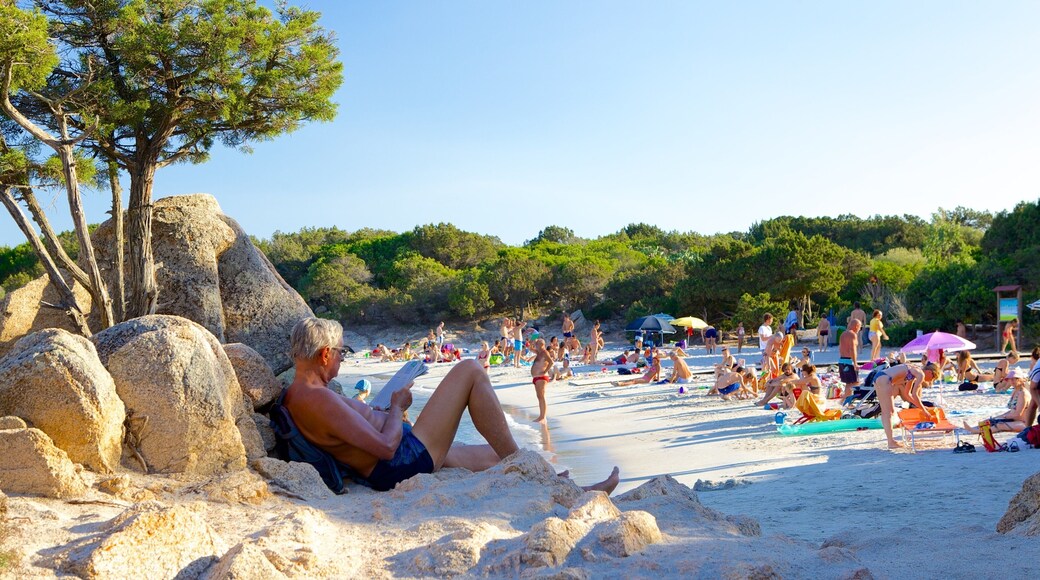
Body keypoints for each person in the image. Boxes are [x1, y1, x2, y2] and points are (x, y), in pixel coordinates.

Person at [282, 317, 620, 493]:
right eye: (341, 352)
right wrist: (397, 406)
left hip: (401, 451)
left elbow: (360, 435)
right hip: (399, 462)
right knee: (470, 370)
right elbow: (385, 448)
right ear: (325, 353)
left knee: (493, 456)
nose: (342, 359)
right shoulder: (316, 399)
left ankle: (572, 489)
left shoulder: (305, 392)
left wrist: (388, 413)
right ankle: (530, 467)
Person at [872, 362, 938, 450]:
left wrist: (921, 407)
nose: (930, 381)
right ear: (930, 372)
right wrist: (924, 410)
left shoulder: (914, 371)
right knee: (889, 412)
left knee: (886, 411)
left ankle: (891, 441)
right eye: (933, 377)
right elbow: (915, 395)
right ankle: (891, 442)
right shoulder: (920, 374)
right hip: (885, 379)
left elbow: (908, 394)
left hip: (880, 376)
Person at [963, 375, 1031, 434]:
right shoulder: (1016, 391)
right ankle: (973, 428)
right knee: (990, 420)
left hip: (1022, 423)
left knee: (999, 425)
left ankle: (976, 431)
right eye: (1010, 379)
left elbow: (1018, 415)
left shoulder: (1023, 393)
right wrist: (1000, 416)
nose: (1012, 381)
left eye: (1016, 378)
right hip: (1014, 419)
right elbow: (1013, 410)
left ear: (1021, 380)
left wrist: (1004, 417)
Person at [530, 338, 553, 423]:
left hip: (541, 377)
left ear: (542, 344)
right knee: (539, 396)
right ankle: (541, 416)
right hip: (536, 377)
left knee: (542, 396)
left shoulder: (545, 353)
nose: (536, 345)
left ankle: (543, 417)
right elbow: (530, 348)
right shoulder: (538, 352)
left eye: (537, 344)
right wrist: (533, 341)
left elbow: (551, 362)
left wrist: (545, 371)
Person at [838, 319, 862, 398]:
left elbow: (841, 348)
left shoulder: (843, 334)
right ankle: (845, 400)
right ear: (856, 326)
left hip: (842, 360)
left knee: (849, 383)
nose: (859, 329)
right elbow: (852, 349)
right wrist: (855, 363)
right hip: (848, 361)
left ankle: (847, 400)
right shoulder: (852, 334)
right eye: (860, 327)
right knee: (854, 383)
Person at [1026, 346, 1040, 427]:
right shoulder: (1037, 369)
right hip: (1037, 384)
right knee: (1033, 404)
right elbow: (1032, 388)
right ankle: (1027, 429)